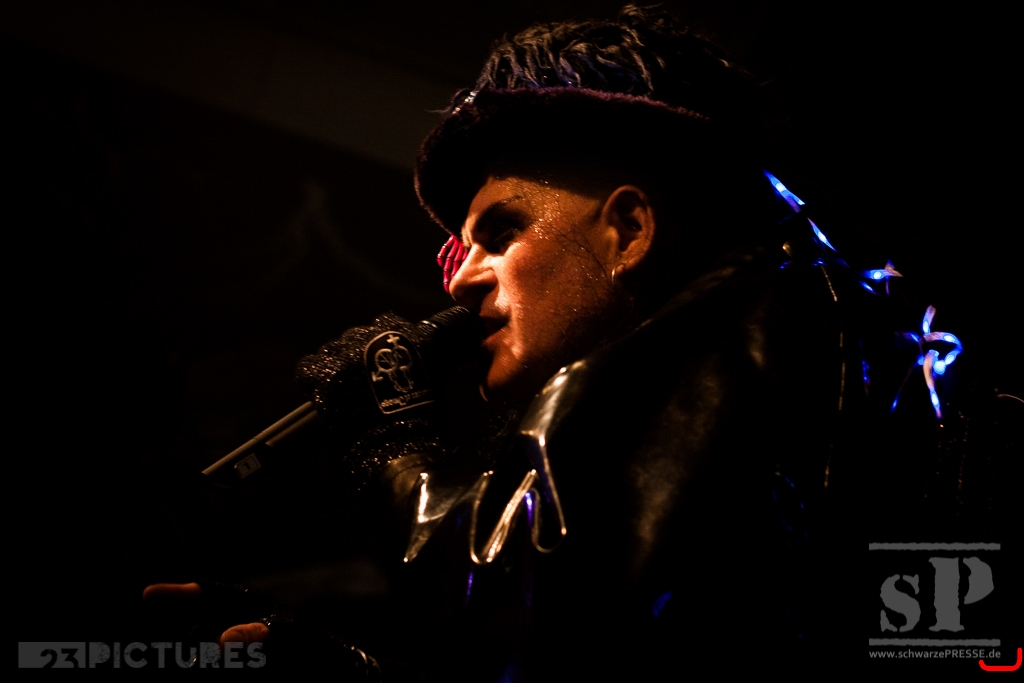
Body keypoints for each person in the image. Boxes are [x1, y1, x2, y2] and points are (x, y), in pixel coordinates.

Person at [146, 5, 1014, 679]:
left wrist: (393, 450)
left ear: (628, 230)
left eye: (501, 231)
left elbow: (526, 594)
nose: (460, 279)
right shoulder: (845, 341)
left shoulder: (752, 316)